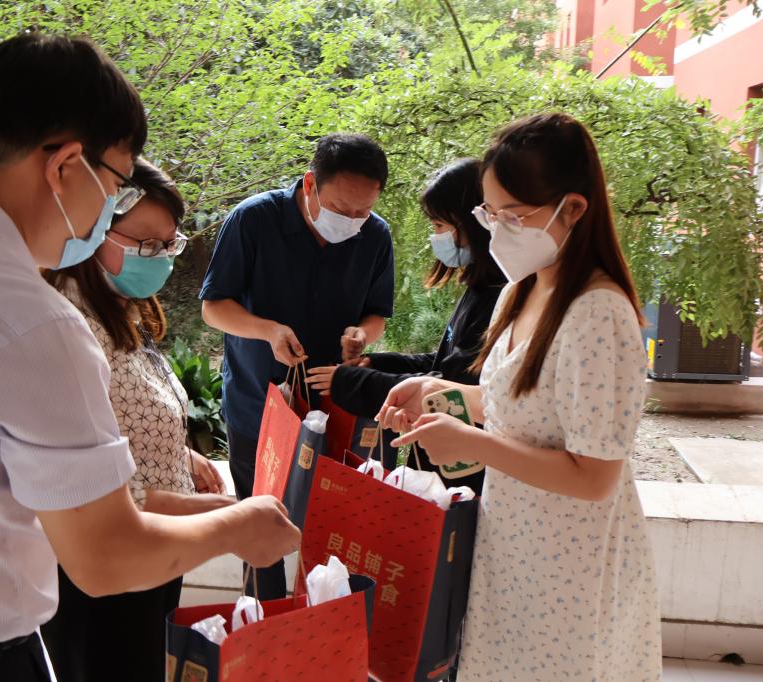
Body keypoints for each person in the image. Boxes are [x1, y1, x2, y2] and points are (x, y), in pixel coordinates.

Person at [0, 34, 298, 682]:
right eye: (116, 183)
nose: (108, 208)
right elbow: (106, 557)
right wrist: (238, 527)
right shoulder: (30, 321)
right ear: (66, 164)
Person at [378, 113, 662, 681]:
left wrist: (471, 443)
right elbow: (517, 402)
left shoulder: (597, 313)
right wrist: (437, 392)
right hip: (513, 540)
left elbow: (594, 475)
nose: (498, 229)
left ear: (573, 208)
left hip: (571, 562)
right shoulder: (521, 289)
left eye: (513, 215)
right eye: (490, 213)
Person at [40, 159, 227, 682]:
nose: (160, 257)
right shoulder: (69, 321)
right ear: (94, 229)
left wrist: (177, 452)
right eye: (145, 243)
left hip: (150, 549)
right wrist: (228, 522)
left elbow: (120, 410)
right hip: (110, 557)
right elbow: (86, 469)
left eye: (168, 244)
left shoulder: (117, 303)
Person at [199, 133, 395, 599]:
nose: (352, 220)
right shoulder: (253, 219)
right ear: (310, 184)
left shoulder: (375, 234)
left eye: (363, 211)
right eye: (341, 208)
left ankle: (322, 616)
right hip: (258, 403)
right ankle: (262, 616)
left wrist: (361, 335)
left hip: (334, 406)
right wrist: (268, 331)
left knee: (333, 525)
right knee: (257, 527)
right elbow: (214, 307)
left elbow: (376, 314)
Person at [305, 158, 507, 490]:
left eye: (440, 225)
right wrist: (381, 363)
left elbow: (456, 387)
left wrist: (352, 382)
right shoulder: (479, 288)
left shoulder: (499, 297)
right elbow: (445, 364)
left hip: (466, 469)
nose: (435, 236)